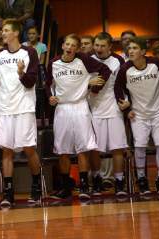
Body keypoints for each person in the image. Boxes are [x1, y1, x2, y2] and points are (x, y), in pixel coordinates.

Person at [45, 34, 111, 200]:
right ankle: (66, 187)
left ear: (77, 48)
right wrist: (50, 97)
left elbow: (105, 70)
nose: (70, 47)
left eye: (73, 45)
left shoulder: (83, 59)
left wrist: (93, 86)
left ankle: (83, 186)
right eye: (67, 44)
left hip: (80, 106)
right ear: (63, 46)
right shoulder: (53, 63)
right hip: (62, 108)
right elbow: (47, 84)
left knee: (83, 148)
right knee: (62, 150)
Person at [0, 19, 41, 207]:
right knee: (6, 151)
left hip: (24, 107)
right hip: (5, 109)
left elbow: (31, 82)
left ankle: (36, 187)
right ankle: (8, 192)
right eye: (2, 30)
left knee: (29, 149)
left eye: (6, 30)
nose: (3, 33)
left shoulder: (30, 53)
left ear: (16, 33)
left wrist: (21, 73)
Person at [114, 37, 159, 195]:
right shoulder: (125, 69)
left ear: (143, 51)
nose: (130, 51)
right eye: (129, 48)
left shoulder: (156, 64)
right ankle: (142, 179)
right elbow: (118, 88)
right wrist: (125, 108)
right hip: (138, 113)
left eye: (135, 48)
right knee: (140, 145)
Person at [87, 32, 128, 196]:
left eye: (103, 46)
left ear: (110, 46)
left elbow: (123, 84)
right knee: (94, 148)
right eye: (96, 45)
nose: (99, 48)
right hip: (94, 107)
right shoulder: (88, 60)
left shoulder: (118, 60)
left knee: (117, 147)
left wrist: (125, 102)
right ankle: (96, 179)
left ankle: (119, 181)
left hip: (113, 106)